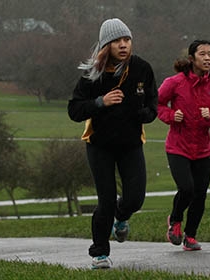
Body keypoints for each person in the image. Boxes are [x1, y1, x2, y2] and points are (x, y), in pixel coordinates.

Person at [67, 18, 158, 268]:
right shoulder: (92, 75)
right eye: (117, 41)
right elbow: (74, 110)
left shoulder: (142, 69)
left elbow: (153, 105)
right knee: (105, 200)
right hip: (100, 145)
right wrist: (100, 103)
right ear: (106, 45)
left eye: (127, 40)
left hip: (130, 143)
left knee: (135, 199)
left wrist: (144, 114)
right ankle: (99, 253)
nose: (123, 45)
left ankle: (122, 216)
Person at [157, 39, 210, 251]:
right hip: (178, 146)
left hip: (202, 149)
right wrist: (172, 115)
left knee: (200, 194)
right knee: (187, 188)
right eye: (202, 54)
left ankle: (190, 236)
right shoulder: (175, 82)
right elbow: (157, 104)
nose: (208, 58)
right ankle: (175, 221)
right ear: (192, 59)